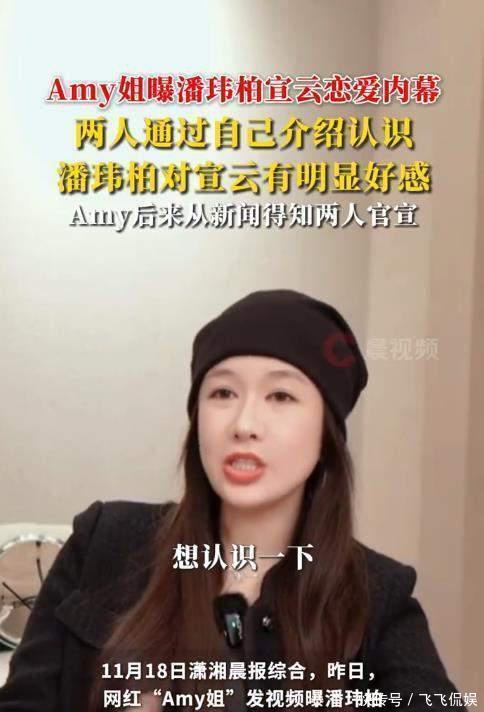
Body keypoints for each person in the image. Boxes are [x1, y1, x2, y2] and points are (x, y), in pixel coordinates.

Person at [0, 289, 463, 712]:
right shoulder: (105, 542)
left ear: (326, 435)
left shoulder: (377, 594)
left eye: (281, 395)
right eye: (223, 392)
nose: (244, 424)